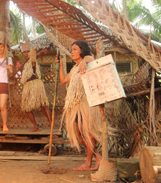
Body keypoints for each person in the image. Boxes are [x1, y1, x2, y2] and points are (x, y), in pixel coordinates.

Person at [57, 40, 102, 171]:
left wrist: (84, 60)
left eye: (75, 49)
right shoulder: (75, 68)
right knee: (78, 135)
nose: (72, 51)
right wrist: (61, 64)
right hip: (75, 106)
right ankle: (97, 156)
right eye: (72, 49)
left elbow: (90, 57)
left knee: (88, 133)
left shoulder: (87, 62)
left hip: (85, 104)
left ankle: (88, 163)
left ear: (82, 51)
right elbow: (63, 80)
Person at [20, 44, 51, 132]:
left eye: (27, 52)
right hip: (27, 85)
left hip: (36, 84)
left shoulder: (33, 60)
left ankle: (51, 125)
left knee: (44, 105)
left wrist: (40, 52)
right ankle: (36, 127)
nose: (26, 54)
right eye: (24, 52)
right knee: (26, 108)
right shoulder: (24, 64)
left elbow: (34, 57)